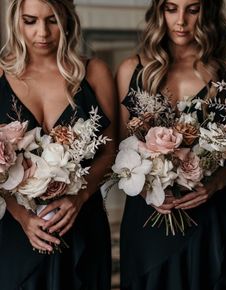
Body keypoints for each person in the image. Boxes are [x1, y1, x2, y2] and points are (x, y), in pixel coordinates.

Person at [116, 0, 226, 289]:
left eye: (192, 9)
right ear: (160, 12)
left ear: (207, 13)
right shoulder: (134, 70)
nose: (181, 20)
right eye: (171, 8)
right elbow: (121, 154)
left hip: (213, 221)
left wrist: (216, 183)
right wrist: (150, 189)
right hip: (151, 221)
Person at [0, 0, 117, 289]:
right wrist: (21, 215)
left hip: (81, 222)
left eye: (52, 20)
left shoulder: (94, 72)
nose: (42, 32)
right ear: (16, 20)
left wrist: (79, 197)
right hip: (18, 228)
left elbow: (110, 150)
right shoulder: (1, 73)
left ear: (67, 20)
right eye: (30, 21)